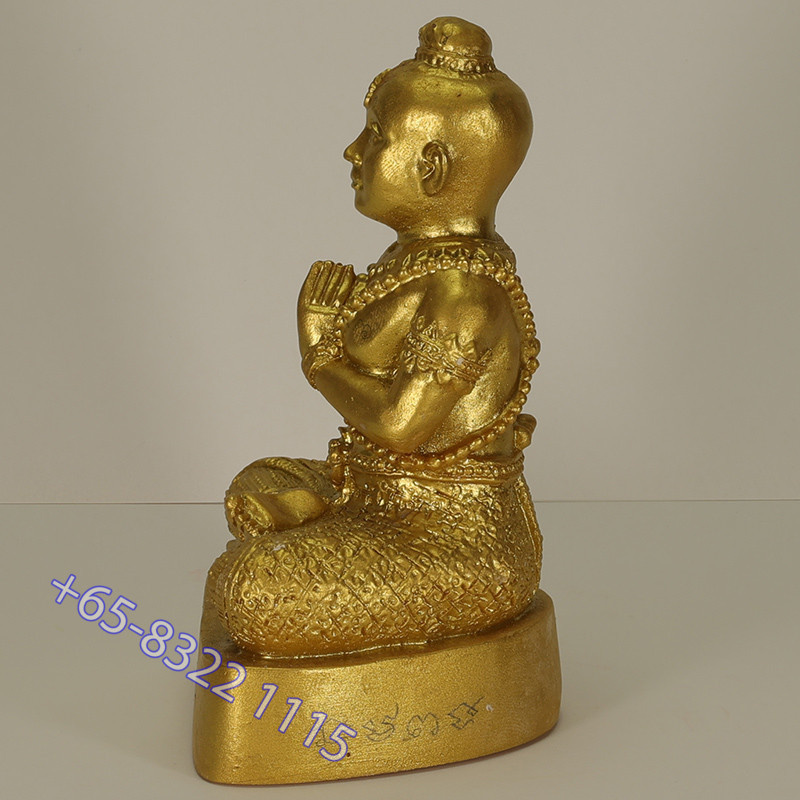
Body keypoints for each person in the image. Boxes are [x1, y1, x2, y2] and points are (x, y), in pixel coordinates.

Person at [210, 17, 543, 657]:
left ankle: (313, 549)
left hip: (457, 541)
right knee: (260, 481)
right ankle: (322, 537)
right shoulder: (414, 259)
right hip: (372, 492)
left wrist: (321, 357)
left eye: (375, 134)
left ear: (431, 167)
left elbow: (398, 425)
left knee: (251, 591)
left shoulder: (466, 297)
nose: (353, 150)